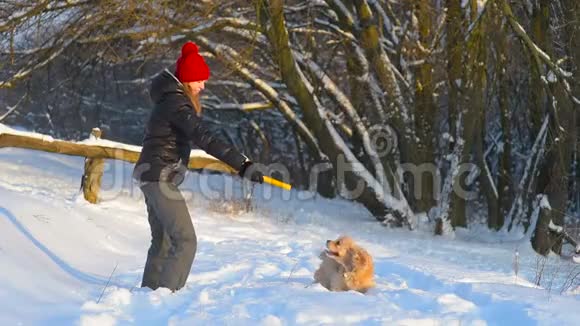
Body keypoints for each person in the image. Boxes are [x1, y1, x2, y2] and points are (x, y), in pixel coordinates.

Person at [132, 41, 264, 292]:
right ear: (187, 79)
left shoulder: (170, 100)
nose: (203, 86)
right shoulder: (177, 104)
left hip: (151, 175)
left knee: (163, 241)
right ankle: (166, 297)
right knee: (186, 240)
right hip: (158, 177)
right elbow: (205, 137)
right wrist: (243, 164)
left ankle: (147, 298)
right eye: (200, 80)